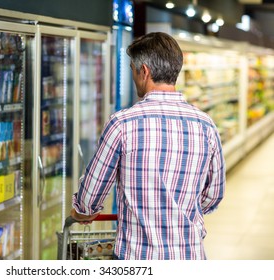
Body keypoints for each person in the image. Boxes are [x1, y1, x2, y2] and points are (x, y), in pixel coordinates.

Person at [71, 32, 226, 260]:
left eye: (133, 70)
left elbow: (89, 199)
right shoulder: (205, 124)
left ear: (144, 71)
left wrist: (82, 212)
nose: (134, 77)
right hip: (189, 256)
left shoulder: (122, 124)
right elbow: (213, 196)